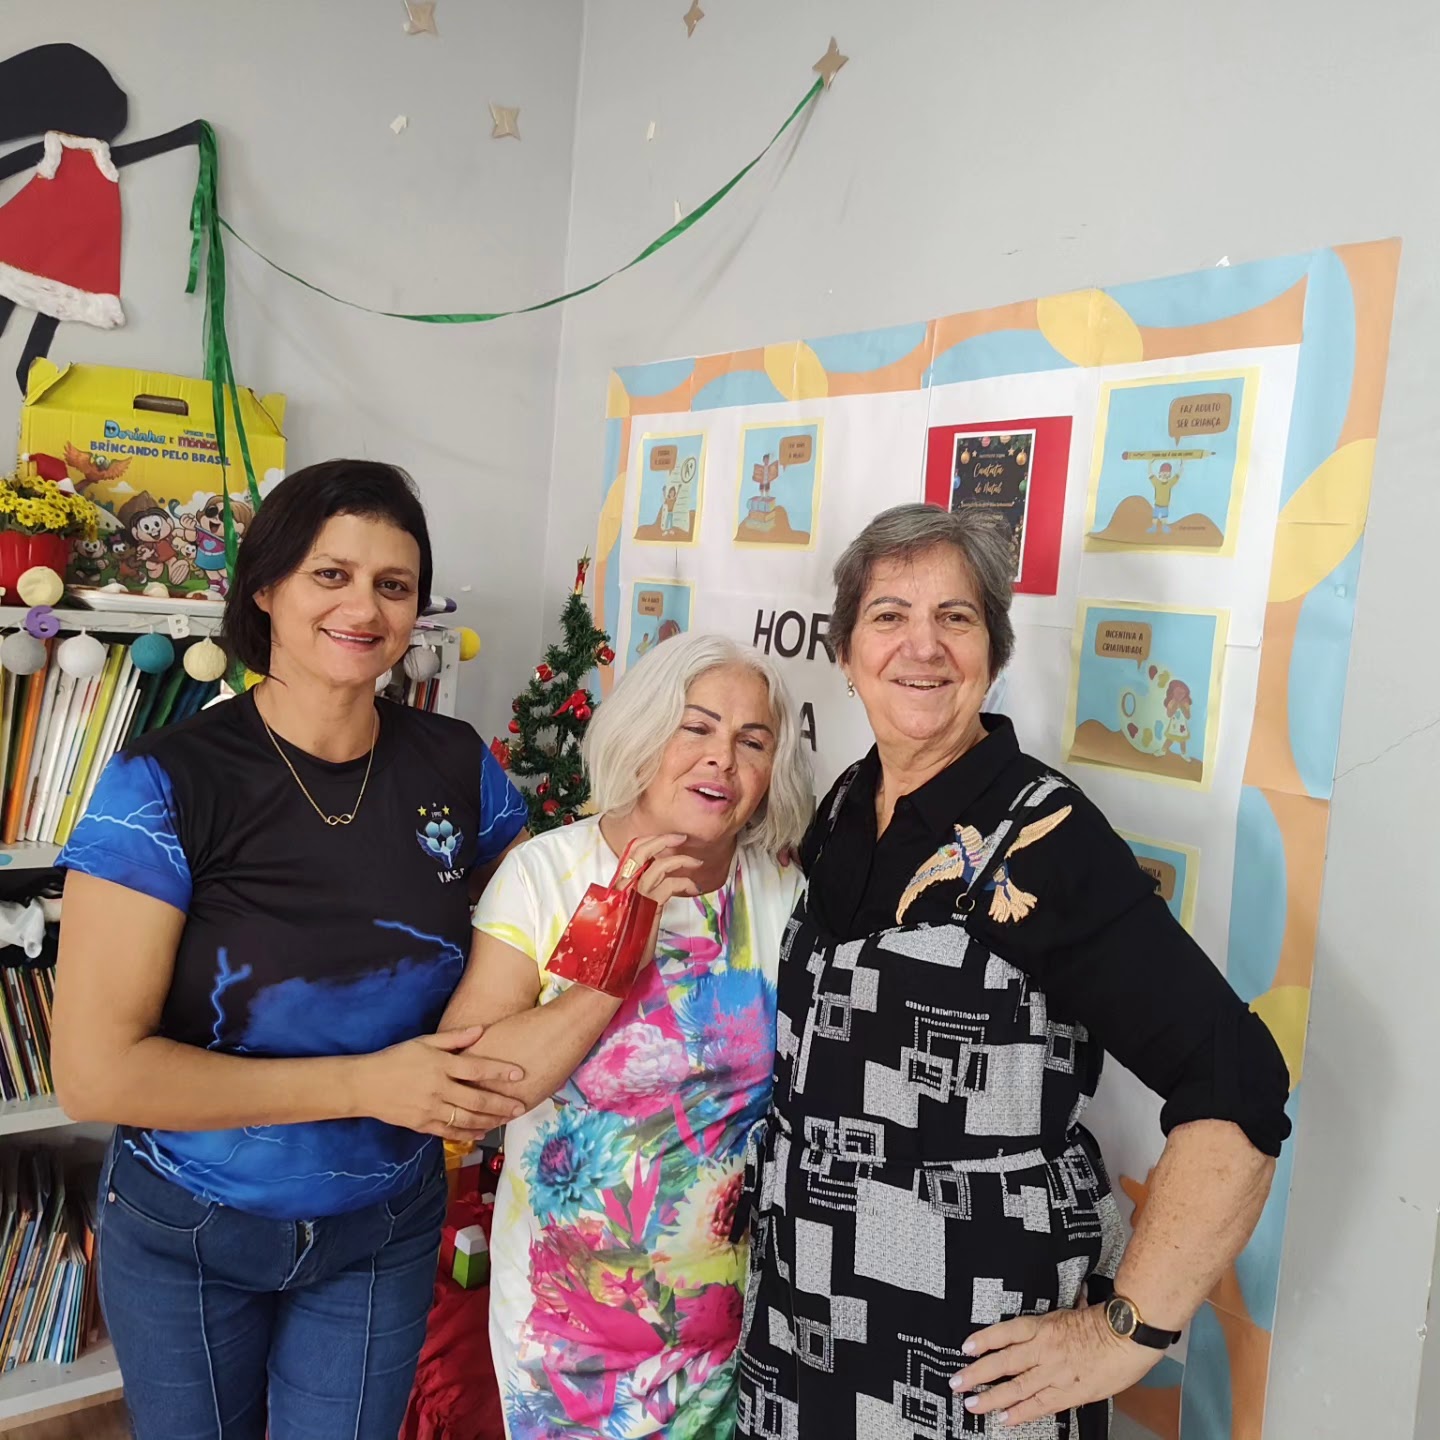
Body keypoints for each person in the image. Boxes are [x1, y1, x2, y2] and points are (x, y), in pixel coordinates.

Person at [735, 504, 1291, 1438]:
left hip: (966, 1361)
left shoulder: (1046, 836)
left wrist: (1126, 1331)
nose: (923, 646)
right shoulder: (845, 804)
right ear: (846, 652)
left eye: (955, 617)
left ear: (993, 651)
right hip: (800, 1332)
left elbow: (1238, 1080)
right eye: (889, 616)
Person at [51, 460, 531, 1440]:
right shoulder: (164, 784)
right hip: (191, 1223)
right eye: (330, 574)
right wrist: (367, 1084)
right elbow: (94, 1076)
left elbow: (528, 932)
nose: (364, 607)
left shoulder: (456, 765)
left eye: (393, 584)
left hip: (383, 1224)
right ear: (265, 587)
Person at [444, 633, 813, 1439]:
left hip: (729, 1333)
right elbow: (472, 1092)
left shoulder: (782, 894)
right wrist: (616, 960)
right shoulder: (546, 877)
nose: (722, 759)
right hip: (567, 1337)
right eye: (697, 727)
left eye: (752, 742)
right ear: (644, 733)